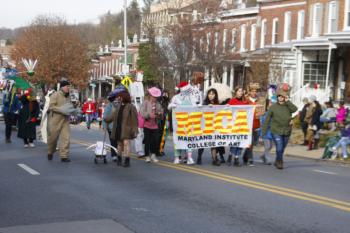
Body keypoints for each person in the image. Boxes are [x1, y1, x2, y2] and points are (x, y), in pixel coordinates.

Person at [262, 83, 298, 169]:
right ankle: (280, 162)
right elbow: (267, 120)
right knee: (279, 147)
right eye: (279, 96)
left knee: (282, 148)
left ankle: (277, 159)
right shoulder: (273, 107)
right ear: (277, 97)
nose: (281, 98)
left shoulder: (288, 106)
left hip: (286, 131)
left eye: (283, 97)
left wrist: (287, 101)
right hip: (276, 131)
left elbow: (295, 109)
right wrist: (263, 133)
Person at [168, 81, 200, 165]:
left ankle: (189, 157)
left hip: (189, 123)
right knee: (178, 140)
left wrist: (199, 106)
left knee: (189, 140)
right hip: (178, 124)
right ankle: (177, 157)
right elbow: (169, 107)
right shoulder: (176, 97)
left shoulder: (192, 97)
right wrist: (172, 106)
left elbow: (196, 108)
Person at [105, 90, 138, 167]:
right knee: (119, 144)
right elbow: (113, 116)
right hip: (118, 127)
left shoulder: (131, 107)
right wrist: (106, 119)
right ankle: (119, 158)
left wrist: (135, 129)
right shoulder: (118, 106)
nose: (119, 98)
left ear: (124, 97)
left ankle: (127, 160)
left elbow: (134, 119)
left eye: (120, 97)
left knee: (126, 143)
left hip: (127, 128)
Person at [47, 80, 75, 162]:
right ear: (62, 87)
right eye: (67, 86)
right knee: (53, 138)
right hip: (55, 120)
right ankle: (50, 151)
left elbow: (69, 106)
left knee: (66, 138)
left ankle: (64, 156)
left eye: (69, 86)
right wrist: (61, 110)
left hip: (65, 120)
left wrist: (73, 109)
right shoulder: (55, 95)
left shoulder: (68, 96)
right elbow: (51, 107)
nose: (68, 88)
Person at [197, 88, 221, 166]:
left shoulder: (218, 104)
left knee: (213, 143)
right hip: (205, 126)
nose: (211, 95)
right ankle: (199, 157)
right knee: (203, 143)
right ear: (207, 95)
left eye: (213, 94)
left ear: (215, 95)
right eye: (210, 94)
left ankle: (214, 159)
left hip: (214, 127)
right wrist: (207, 107)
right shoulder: (204, 103)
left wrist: (226, 107)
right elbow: (200, 112)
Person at [244, 82, 265, 166]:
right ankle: (250, 159)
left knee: (254, 143)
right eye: (252, 91)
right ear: (250, 91)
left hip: (256, 124)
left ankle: (245, 156)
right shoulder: (245, 100)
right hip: (247, 124)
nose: (254, 93)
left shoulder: (260, 100)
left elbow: (263, 112)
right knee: (250, 142)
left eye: (256, 91)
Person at [227, 86, 249, 167]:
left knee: (241, 142)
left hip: (243, 125)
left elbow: (250, 108)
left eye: (241, 91)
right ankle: (230, 155)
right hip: (234, 125)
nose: (240, 93)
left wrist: (255, 106)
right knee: (234, 142)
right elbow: (226, 110)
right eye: (239, 91)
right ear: (236, 92)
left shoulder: (245, 101)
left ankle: (236, 158)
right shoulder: (232, 101)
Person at [141, 87, 163, 163]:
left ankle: (153, 155)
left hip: (155, 125)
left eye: (156, 97)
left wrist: (159, 114)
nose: (155, 98)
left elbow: (161, 112)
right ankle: (147, 156)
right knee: (147, 141)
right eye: (154, 96)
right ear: (150, 95)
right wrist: (149, 115)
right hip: (147, 125)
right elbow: (142, 113)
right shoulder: (145, 102)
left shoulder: (158, 104)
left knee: (155, 141)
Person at [103, 93, 118, 163]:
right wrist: (104, 126)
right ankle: (114, 155)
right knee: (113, 141)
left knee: (118, 141)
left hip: (118, 126)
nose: (116, 100)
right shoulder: (108, 106)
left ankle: (118, 153)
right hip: (111, 127)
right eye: (115, 98)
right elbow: (105, 117)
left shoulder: (119, 105)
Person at [259, 99, 274, 165]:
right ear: (267, 105)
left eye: (272, 103)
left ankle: (263, 156)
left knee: (271, 146)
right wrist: (261, 135)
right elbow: (263, 125)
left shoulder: (273, 113)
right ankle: (268, 159)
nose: (271, 104)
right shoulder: (265, 114)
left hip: (272, 133)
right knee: (267, 146)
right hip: (265, 132)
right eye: (270, 103)